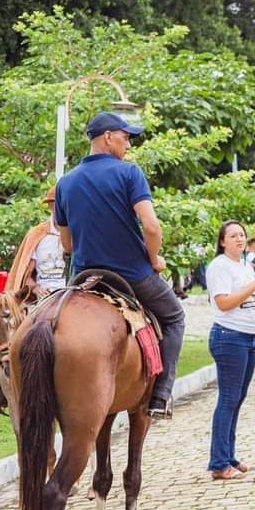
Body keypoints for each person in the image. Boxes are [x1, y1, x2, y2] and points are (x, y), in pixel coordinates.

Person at [54, 111, 185, 421]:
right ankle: (161, 395)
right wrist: (154, 260)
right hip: (130, 274)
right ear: (108, 137)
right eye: (126, 137)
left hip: (83, 278)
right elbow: (152, 227)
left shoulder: (65, 183)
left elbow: (67, 245)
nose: (128, 144)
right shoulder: (130, 173)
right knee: (176, 316)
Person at [205, 221, 255, 480]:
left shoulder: (244, 266)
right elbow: (223, 303)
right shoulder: (219, 267)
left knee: (237, 399)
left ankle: (229, 456)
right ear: (222, 241)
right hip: (228, 336)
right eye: (233, 236)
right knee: (228, 399)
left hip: (247, 337)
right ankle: (219, 462)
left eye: (242, 235)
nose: (239, 239)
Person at [7, 186, 66, 297]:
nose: (58, 208)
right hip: (42, 296)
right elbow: (25, 275)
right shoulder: (37, 233)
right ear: (50, 206)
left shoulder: (78, 232)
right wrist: (35, 288)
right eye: (54, 204)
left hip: (71, 294)